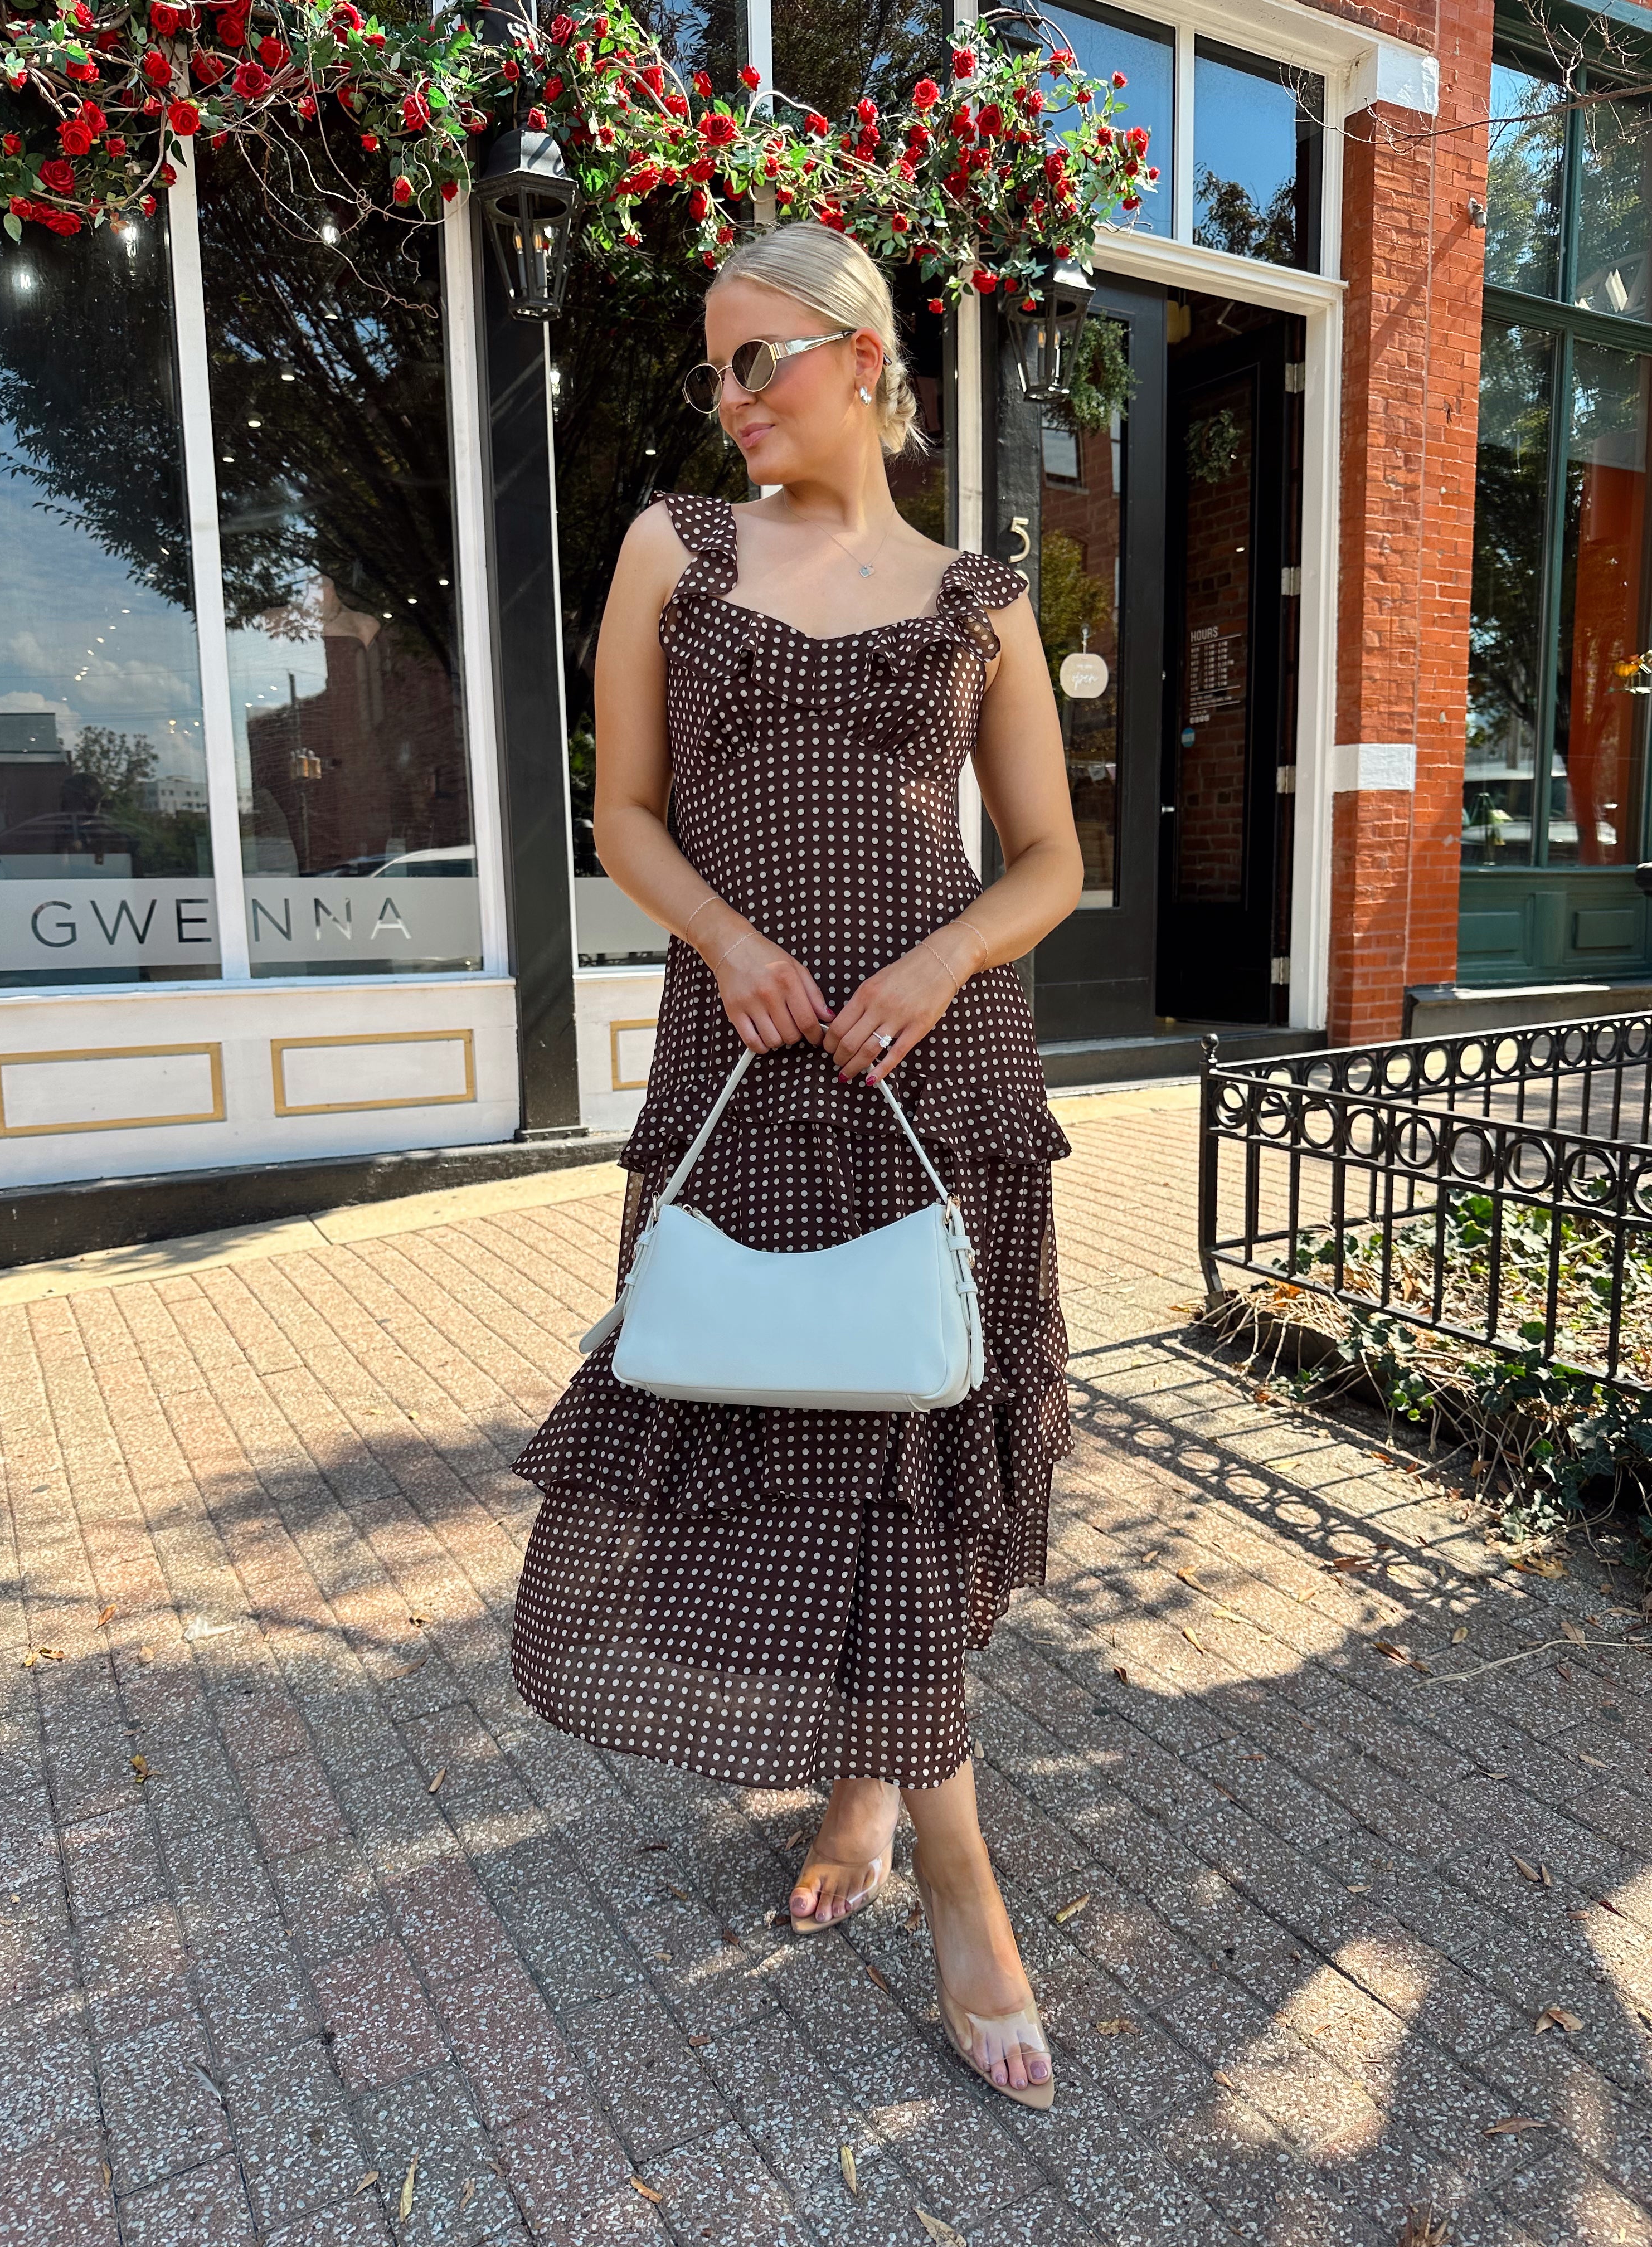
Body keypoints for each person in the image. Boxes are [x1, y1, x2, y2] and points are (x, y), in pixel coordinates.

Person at [509, 221, 1083, 2107]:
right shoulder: (673, 550)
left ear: (864, 357)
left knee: (906, 1443)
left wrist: (941, 962)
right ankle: (919, 1829)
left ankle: (916, 1834)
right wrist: (730, 943)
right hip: (750, 1066)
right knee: (799, 1419)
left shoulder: (980, 598)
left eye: (761, 358)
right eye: (716, 369)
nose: (732, 397)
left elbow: (1051, 861)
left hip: (936, 1074)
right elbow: (625, 813)